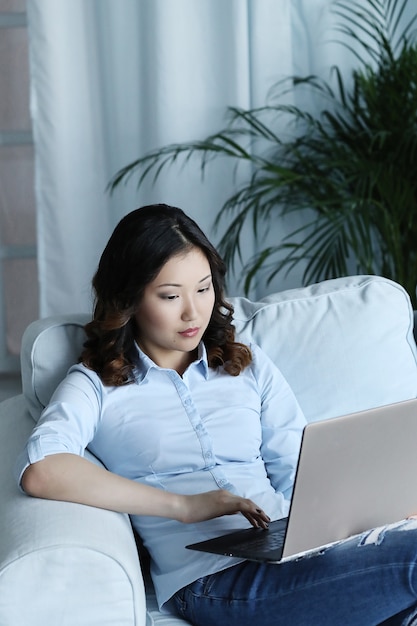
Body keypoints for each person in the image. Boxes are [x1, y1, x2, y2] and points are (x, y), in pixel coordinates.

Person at [16, 203, 417, 626]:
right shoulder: (96, 384)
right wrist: (183, 506)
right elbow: (42, 469)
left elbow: (298, 470)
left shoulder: (247, 364)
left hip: (296, 554)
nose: (193, 312)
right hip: (212, 582)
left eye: (204, 289)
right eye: (170, 296)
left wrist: (383, 510)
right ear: (129, 298)